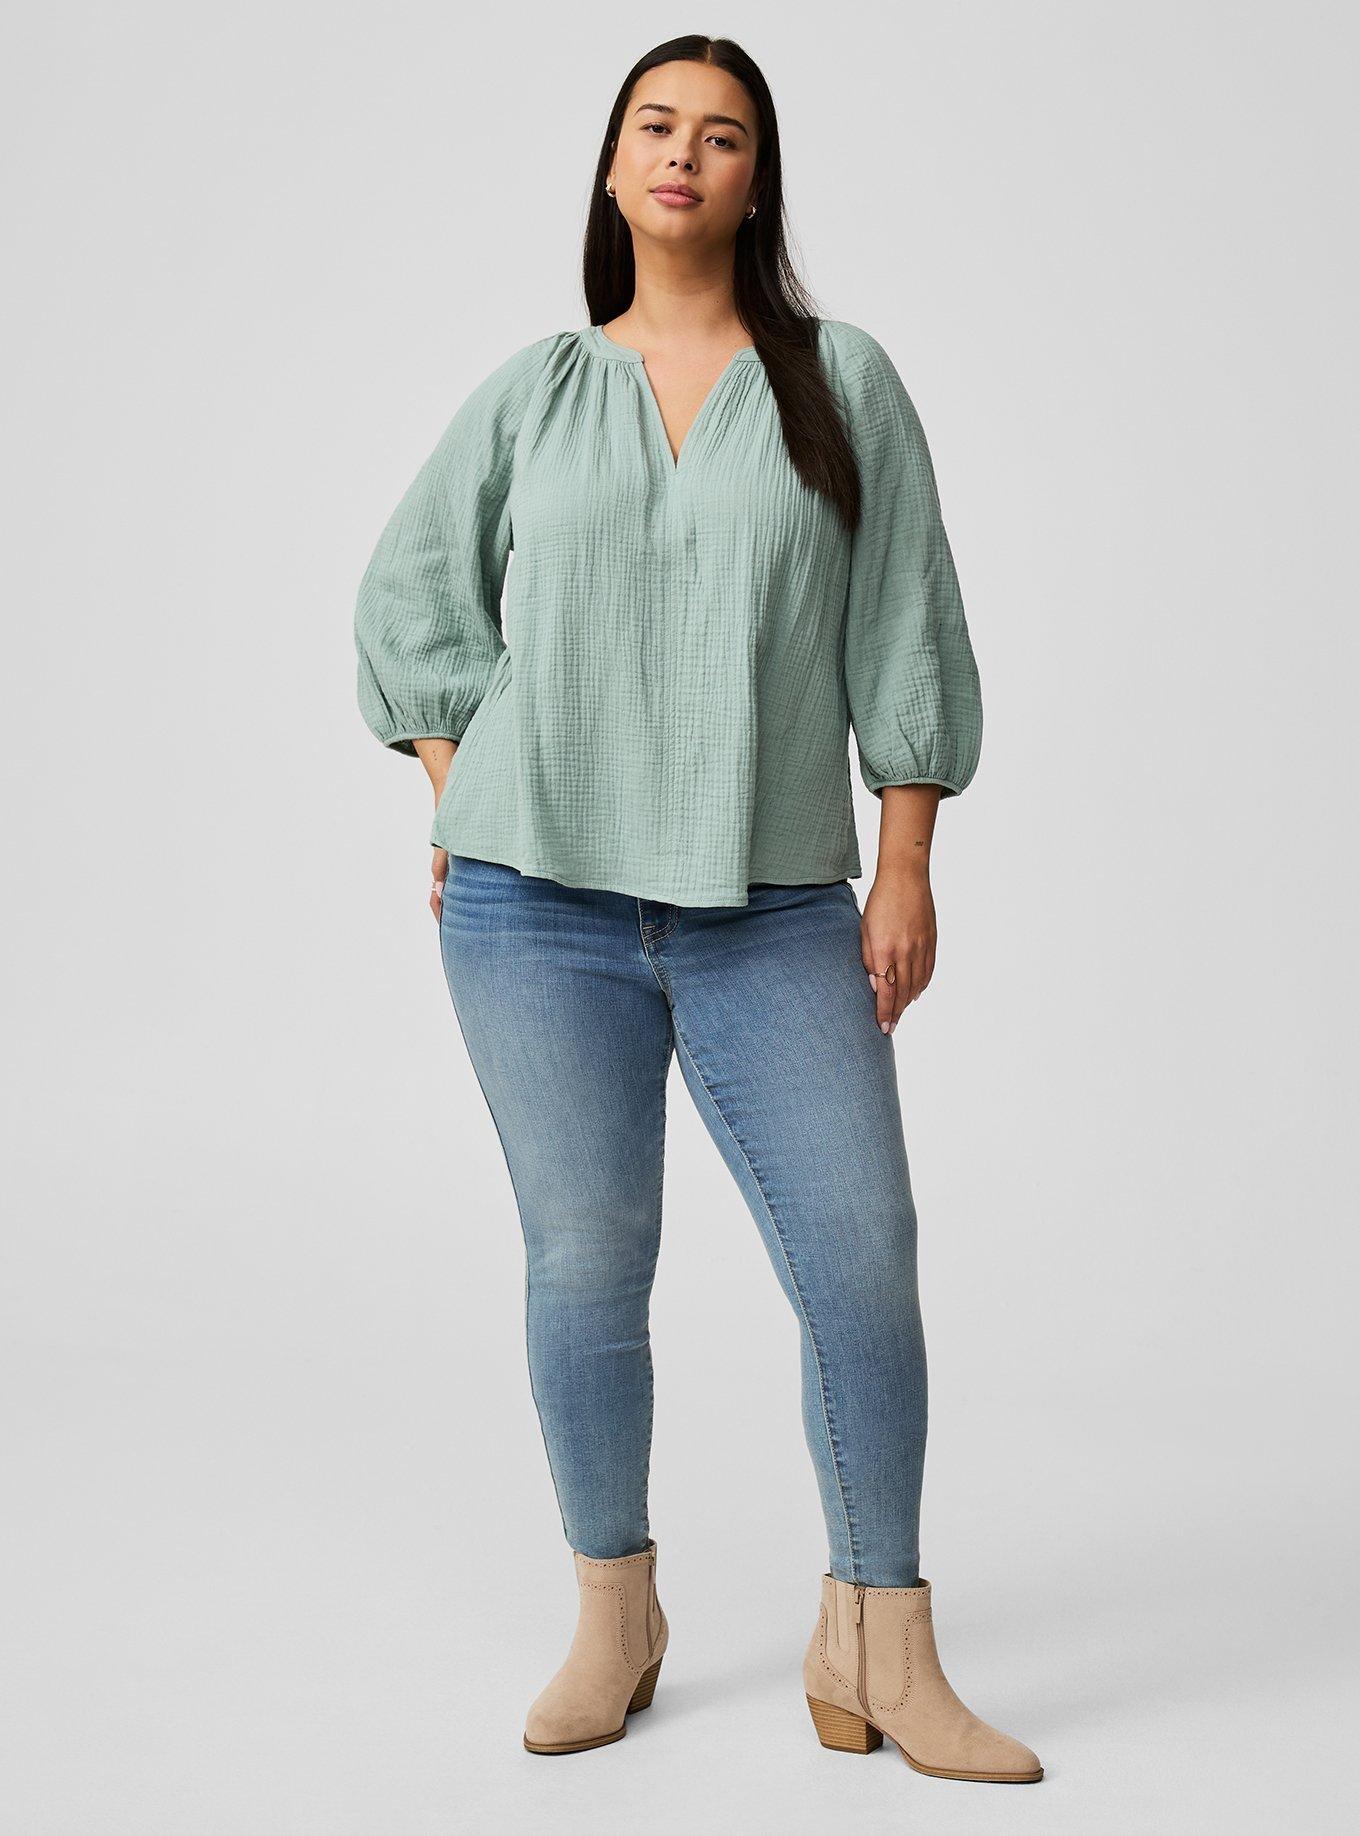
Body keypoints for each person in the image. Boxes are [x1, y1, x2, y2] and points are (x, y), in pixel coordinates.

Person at [353, 33, 1043, 1786]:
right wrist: (461, 790)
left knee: (861, 1257)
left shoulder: (840, 380)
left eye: (722, 135)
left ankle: (880, 1639)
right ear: (613, 166)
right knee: (587, 1262)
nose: (685, 153)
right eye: (656, 126)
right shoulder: (536, 391)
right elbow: (412, 596)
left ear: (755, 180)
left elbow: (906, 620)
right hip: (534, 914)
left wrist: (907, 858)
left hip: (773, 906)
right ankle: (616, 1616)